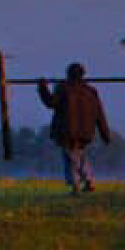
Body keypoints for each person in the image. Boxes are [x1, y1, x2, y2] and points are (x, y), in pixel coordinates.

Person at [38, 62, 111, 194]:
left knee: (71, 158)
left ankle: (77, 185)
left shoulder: (63, 88)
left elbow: (50, 102)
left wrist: (43, 88)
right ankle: (88, 182)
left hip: (67, 131)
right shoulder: (91, 91)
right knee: (79, 155)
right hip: (86, 132)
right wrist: (105, 134)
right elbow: (100, 114)